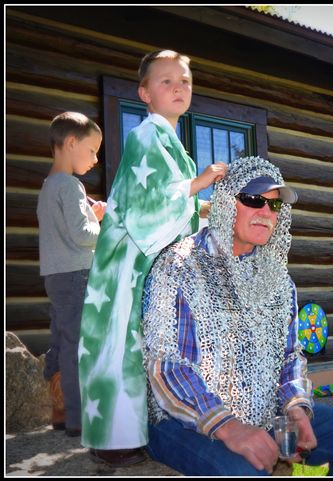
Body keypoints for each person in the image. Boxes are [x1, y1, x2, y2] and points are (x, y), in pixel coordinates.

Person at [142, 156, 333, 476]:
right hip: (180, 422)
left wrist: (297, 408)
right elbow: (167, 367)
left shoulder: (277, 280)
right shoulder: (179, 265)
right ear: (225, 200)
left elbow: (289, 357)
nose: (265, 212)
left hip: (262, 412)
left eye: (273, 205)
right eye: (252, 199)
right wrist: (229, 427)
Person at [79, 49, 227, 466]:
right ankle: (114, 441)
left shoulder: (171, 142)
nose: (179, 87)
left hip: (146, 264)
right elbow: (151, 204)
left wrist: (214, 209)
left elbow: (176, 208)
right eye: (166, 81)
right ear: (144, 93)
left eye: (185, 81)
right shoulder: (145, 135)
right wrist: (201, 184)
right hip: (126, 265)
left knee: (143, 342)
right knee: (119, 342)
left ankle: (141, 430)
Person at [37, 111, 106, 437]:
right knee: (77, 343)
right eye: (92, 150)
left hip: (54, 275)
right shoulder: (71, 185)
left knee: (60, 339)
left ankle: (60, 408)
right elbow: (82, 236)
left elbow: (65, 231)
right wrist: (102, 225)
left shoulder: (49, 185)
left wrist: (90, 215)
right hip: (76, 274)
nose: (95, 158)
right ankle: (78, 418)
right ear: (71, 142)